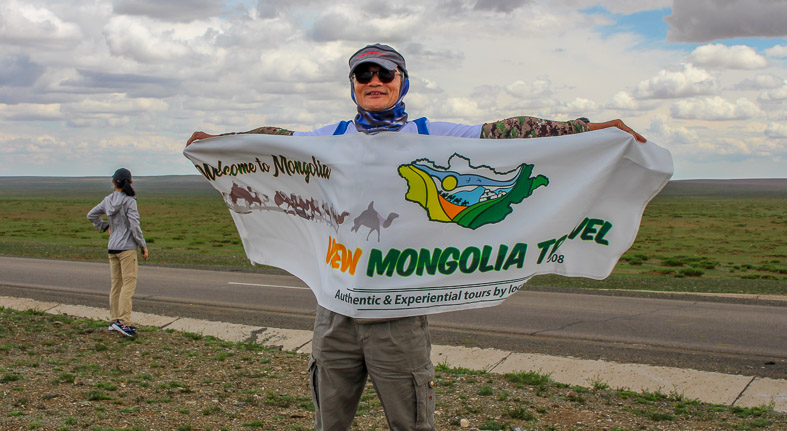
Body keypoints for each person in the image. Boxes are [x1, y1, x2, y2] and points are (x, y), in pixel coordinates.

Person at [187, 43, 645, 430]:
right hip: (335, 312)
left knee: (410, 422)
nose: (373, 80)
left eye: (384, 72)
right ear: (353, 85)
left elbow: (504, 133)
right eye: (362, 74)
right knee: (328, 421)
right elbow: (275, 144)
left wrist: (587, 129)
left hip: (399, 312)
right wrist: (218, 144)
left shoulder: (433, 135)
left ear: (402, 81)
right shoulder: (331, 139)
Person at [87, 168, 149, 337]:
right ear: (130, 182)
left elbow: (91, 215)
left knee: (116, 285)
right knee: (128, 285)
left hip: (112, 247)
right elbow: (135, 226)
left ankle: (114, 320)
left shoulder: (108, 200)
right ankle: (124, 322)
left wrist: (104, 226)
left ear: (114, 182)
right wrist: (143, 245)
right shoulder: (130, 201)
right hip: (127, 249)